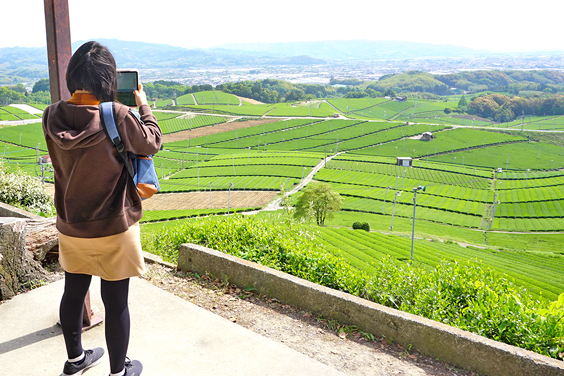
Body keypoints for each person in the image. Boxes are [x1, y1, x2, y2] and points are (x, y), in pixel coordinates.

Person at [42, 41, 162, 376]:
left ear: (72, 76)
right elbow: (152, 142)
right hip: (114, 227)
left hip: (72, 225)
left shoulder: (51, 115)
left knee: (73, 292)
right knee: (116, 301)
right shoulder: (118, 115)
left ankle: (75, 359)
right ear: (108, 79)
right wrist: (144, 106)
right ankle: (118, 372)